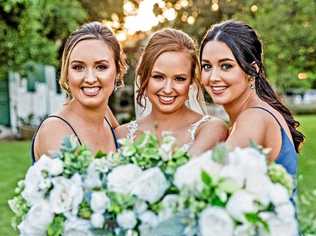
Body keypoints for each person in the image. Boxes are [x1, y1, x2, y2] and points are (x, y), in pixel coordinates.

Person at [199, 20, 304, 210]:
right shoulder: (258, 112)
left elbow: (207, 186)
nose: (213, 77)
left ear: (252, 70)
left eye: (226, 66)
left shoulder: (254, 118)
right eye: (207, 66)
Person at [116, 28, 227, 156]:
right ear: (144, 75)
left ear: (191, 81)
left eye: (179, 79)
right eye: (158, 77)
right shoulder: (122, 135)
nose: (168, 89)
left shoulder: (210, 129)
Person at [31, 21, 127, 162]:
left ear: (118, 71)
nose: (89, 79)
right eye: (78, 67)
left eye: (101, 67)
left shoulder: (105, 114)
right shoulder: (55, 131)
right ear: (67, 72)